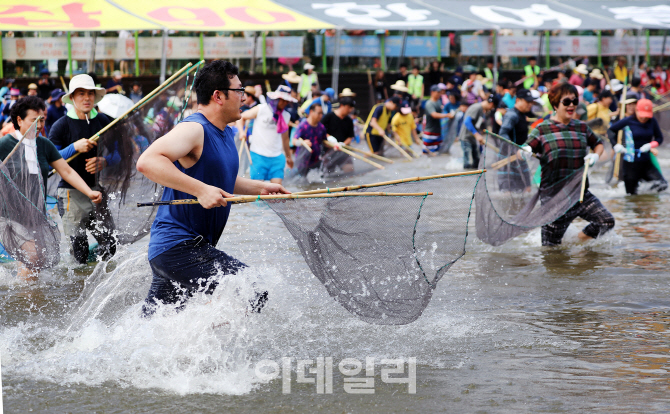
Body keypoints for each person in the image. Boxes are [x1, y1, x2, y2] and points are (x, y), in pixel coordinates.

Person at [135, 60, 289, 316]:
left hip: (182, 249)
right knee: (251, 288)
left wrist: (261, 187)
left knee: (153, 327)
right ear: (218, 95)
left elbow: (223, 179)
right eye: (239, 91)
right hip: (178, 247)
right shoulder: (195, 128)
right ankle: (218, 354)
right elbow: (147, 162)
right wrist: (200, 190)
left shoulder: (226, 132)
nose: (244, 97)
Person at [0, 97, 102, 279]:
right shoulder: (5, 144)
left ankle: (24, 297)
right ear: (19, 120)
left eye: (42, 120)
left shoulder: (44, 145)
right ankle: (27, 297)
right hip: (9, 215)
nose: (39, 125)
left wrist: (89, 191)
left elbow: (67, 171)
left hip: (35, 214)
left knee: (35, 263)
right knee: (33, 256)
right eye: (34, 120)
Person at [518, 82, 613, 246]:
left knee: (606, 221)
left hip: (580, 194)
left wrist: (595, 156)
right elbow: (521, 151)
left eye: (574, 101)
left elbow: (597, 144)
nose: (572, 106)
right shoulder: (542, 129)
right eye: (566, 102)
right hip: (554, 199)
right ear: (555, 104)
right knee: (550, 250)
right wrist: (523, 151)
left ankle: (577, 242)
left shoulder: (582, 127)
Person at [48, 74, 116, 264]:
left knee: (110, 244)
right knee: (79, 250)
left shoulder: (103, 121)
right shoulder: (61, 126)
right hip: (70, 194)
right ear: (72, 98)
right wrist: (74, 148)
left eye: (90, 93)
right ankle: (80, 288)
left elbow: (121, 152)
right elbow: (49, 159)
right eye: (81, 94)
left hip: (96, 191)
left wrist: (105, 161)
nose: (86, 98)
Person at [609, 98, 667, 195]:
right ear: (637, 111)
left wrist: (650, 145)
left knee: (662, 184)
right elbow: (611, 131)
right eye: (642, 115)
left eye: (646, 116)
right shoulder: (628, 121)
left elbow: (659, 138)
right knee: (631, 195)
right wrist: (615, 145)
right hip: (630, 163)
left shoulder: (652, 121)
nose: (644, 118)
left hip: (646, 162)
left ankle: (646, 202)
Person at [241, 85, 295, 184]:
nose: (284, 103)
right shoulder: (261, 109)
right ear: (276, 98)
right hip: (258, 155)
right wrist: (241, 133)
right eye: (282, 100)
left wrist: (289, 157)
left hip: (277, 157)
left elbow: (285, 138)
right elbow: (241, 117)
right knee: (257, 191)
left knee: (276, 193)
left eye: (286, 101)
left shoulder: (286, 116)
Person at [497, 89, 534, 191]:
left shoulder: (522, 115)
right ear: (518, 100)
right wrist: (514, 149)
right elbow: (502, 134)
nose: (530, 105)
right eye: (527, 102)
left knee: (526, 189)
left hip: (520, 157)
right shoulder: (511, 115)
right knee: (507, 193)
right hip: (508, 158)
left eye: (531, 102)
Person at [459, 94, 499, 168]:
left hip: (472, 138)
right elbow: (467, 122)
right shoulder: (476, 107)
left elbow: (476, 125)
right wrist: (477, 134)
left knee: (476, 163)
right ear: (491, 104)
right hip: (466, 138)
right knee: (467, 164)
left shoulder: (481, 110)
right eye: (492, 108)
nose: (491, 110)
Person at [293, 103, 328, 175]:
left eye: (322, 113)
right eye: (319, 113)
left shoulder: (321, 127)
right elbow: (294, 141)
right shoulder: (303, 125)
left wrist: (336, 145)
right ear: (311, 112)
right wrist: (303, 143)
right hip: (303, 162)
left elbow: (325, 142)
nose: (321, 116)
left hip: (316, 161)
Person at [423, 85, 449, 153]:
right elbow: (434, 115)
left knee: (437, 153)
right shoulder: (429, 103)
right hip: (430, 133)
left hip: (438, 132)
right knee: (426, 153)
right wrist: (447, 115)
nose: (439, 94)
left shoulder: (438, 102)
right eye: (438, 92)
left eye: (440, 92)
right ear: (432, 92)